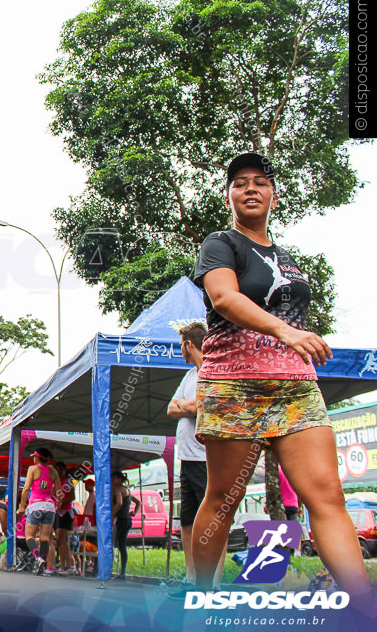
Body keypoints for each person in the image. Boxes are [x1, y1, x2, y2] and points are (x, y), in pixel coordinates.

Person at [189, 152, 372, 613]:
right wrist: (285, 331)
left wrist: (294, 340)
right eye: (240, 183)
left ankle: (363, 610)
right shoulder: (220, 243)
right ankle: (201, 596)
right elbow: (224, 297)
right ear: (229, 195)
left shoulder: (286, 258)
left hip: (294, 386)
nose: (250, 188)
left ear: (273, 194)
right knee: (222, 500)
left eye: (260, 182)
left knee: (327, 496)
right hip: (235, 385)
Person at [165, 321, 225, 589]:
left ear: (190, 345)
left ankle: (213, 583)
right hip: (186, 459)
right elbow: (171, 408)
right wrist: (191, 406)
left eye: (181, 346)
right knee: (187, 522)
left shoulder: (214, 371)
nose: (181, 350)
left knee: (213, 521)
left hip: (207, 459)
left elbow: (208, 405)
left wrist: (187, 406)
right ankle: (191, 579)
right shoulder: (189, 376)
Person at [17, 448, 59, 575]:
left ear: (37, 458)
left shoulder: (32, 469)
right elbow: (59, 491)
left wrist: (22, 507)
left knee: (29, 536)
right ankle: (44, 566)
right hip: (49, 507)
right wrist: (56, 504)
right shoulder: (53, 471)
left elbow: (25, 489)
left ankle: (38, 558)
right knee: (45, 538)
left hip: (35, 506)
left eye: (34, 457)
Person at [110, 471, 139, 581]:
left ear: (119, 479)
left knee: (120, 544)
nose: (112, 480)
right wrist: (134, 512)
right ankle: (122, 572)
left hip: (121, 519)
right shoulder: (127, 489)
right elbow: (138, 502)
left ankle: (122, 573)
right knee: (122, 545)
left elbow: (119, 503)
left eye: (114, 478)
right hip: (127, 519)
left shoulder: (117, 489)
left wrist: (111, 514)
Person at [53, 462, 77, 575]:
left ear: (65, 471)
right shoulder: (55, 483)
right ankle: (64, 565)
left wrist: (60, 503)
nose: (59, 472)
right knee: (61, 541)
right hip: (58, 513)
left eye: (61, 470)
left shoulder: (67, 482)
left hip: (65, 513)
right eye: (57, 470)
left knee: (61, 540)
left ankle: (68, 565)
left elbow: (72, 497)